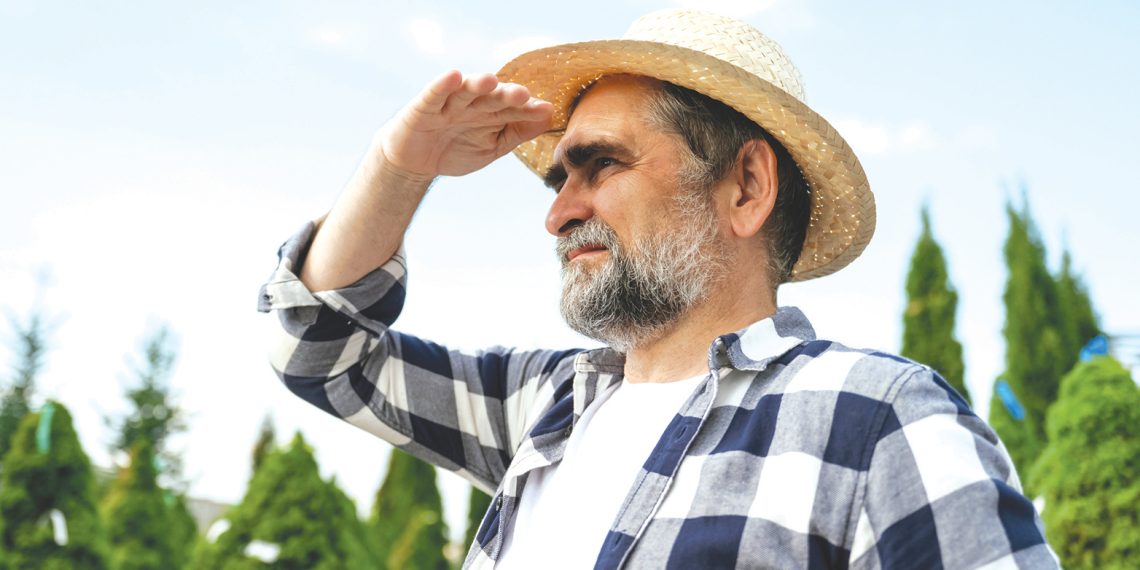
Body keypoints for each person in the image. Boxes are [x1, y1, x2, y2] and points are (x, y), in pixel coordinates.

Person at [258, 9, 1058, 569]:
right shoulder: (547, 407)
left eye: (601, 164)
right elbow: (314, 350)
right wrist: (400, 168)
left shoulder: (875, 420)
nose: (561, 213)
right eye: (557, 180)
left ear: (746, 186)